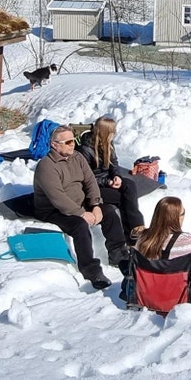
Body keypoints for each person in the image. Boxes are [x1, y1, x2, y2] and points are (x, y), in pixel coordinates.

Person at [31, 126, 111, 290]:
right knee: (79, 226)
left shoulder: (77, 157)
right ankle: (91, 271)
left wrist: (95, 204)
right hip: (53, 210)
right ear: (54, 145)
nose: (72, 144)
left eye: (73, 140)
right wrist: (81, 213)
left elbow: (90, 182)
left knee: (108, 211)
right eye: (67, 142)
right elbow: (57, 197)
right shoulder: (46, 166)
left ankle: (119, 254)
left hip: (77, 202)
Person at [77, 116, 145, 264]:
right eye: (112, 132)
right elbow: (86, 178)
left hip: (107, 180)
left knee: (130, 186)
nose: (114, 134)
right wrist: (107, 182)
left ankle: (136, 227)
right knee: (122, 199)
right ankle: (130, 237)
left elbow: (114, 163)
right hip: (92, 187)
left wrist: (116, 176)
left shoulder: (108, 143)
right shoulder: (85, 150)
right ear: (104, 132)